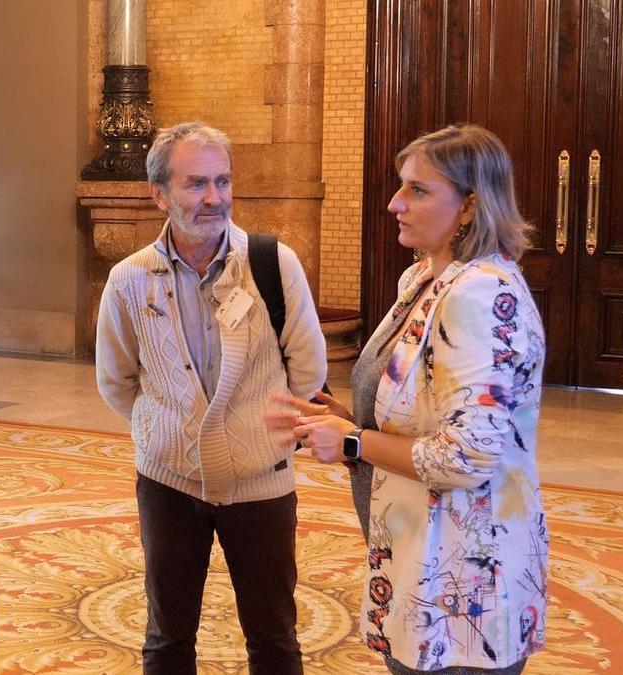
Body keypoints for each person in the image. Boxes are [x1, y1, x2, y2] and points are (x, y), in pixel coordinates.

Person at [278, 125, 548, 673]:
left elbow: (466, 456)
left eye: (418, 191)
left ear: (470, 205)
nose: (394, 203)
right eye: (402, 186)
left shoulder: (480, 293)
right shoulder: (426, 277)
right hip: (417, 550)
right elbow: (419, 408)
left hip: (463, 578)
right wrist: (346, 418)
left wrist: (353, 441)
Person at [96, 121, 329, 674]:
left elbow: (308, 367)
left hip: (261, 481)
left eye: (223, 182)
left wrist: (254, 432)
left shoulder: (274, 264)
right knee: (168, 637)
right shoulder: (129, 280)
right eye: (196, 184)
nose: (214, 198)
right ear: (159, 194)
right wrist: (176, 429)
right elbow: (117, 381)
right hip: (169, 480)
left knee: (273, 638)